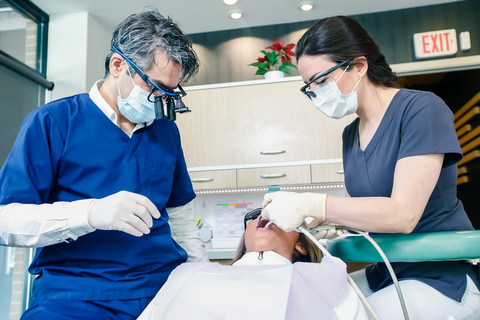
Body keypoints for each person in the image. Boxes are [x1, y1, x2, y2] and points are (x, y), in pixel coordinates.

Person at [261, 16, 480, 319]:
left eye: (321, 81)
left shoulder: (420, 110)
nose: (316, 94)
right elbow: (363, 211)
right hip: (387, 272)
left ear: (359, 66)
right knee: (310, 305)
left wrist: (314, 203)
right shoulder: (351, 134)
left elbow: (403, 215)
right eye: (309, 87)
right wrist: (319, 223)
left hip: (440, 277)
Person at [0, 9, 207, 319]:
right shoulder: (53, 122)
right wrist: (90, 213)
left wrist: (202, 277)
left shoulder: (165, 130)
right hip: (76, 295)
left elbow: (180, 218)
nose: (159, 101)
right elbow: (6, 223)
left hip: (163, 290)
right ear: (118, 65)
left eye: (168, 92)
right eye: (153, 87)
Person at [137, 208, 369, 319]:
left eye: (280, 215)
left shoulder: (325, 278)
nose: (265, 215)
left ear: (301, 245)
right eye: (256, 215)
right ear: (246, 239)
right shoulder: (190, 275)